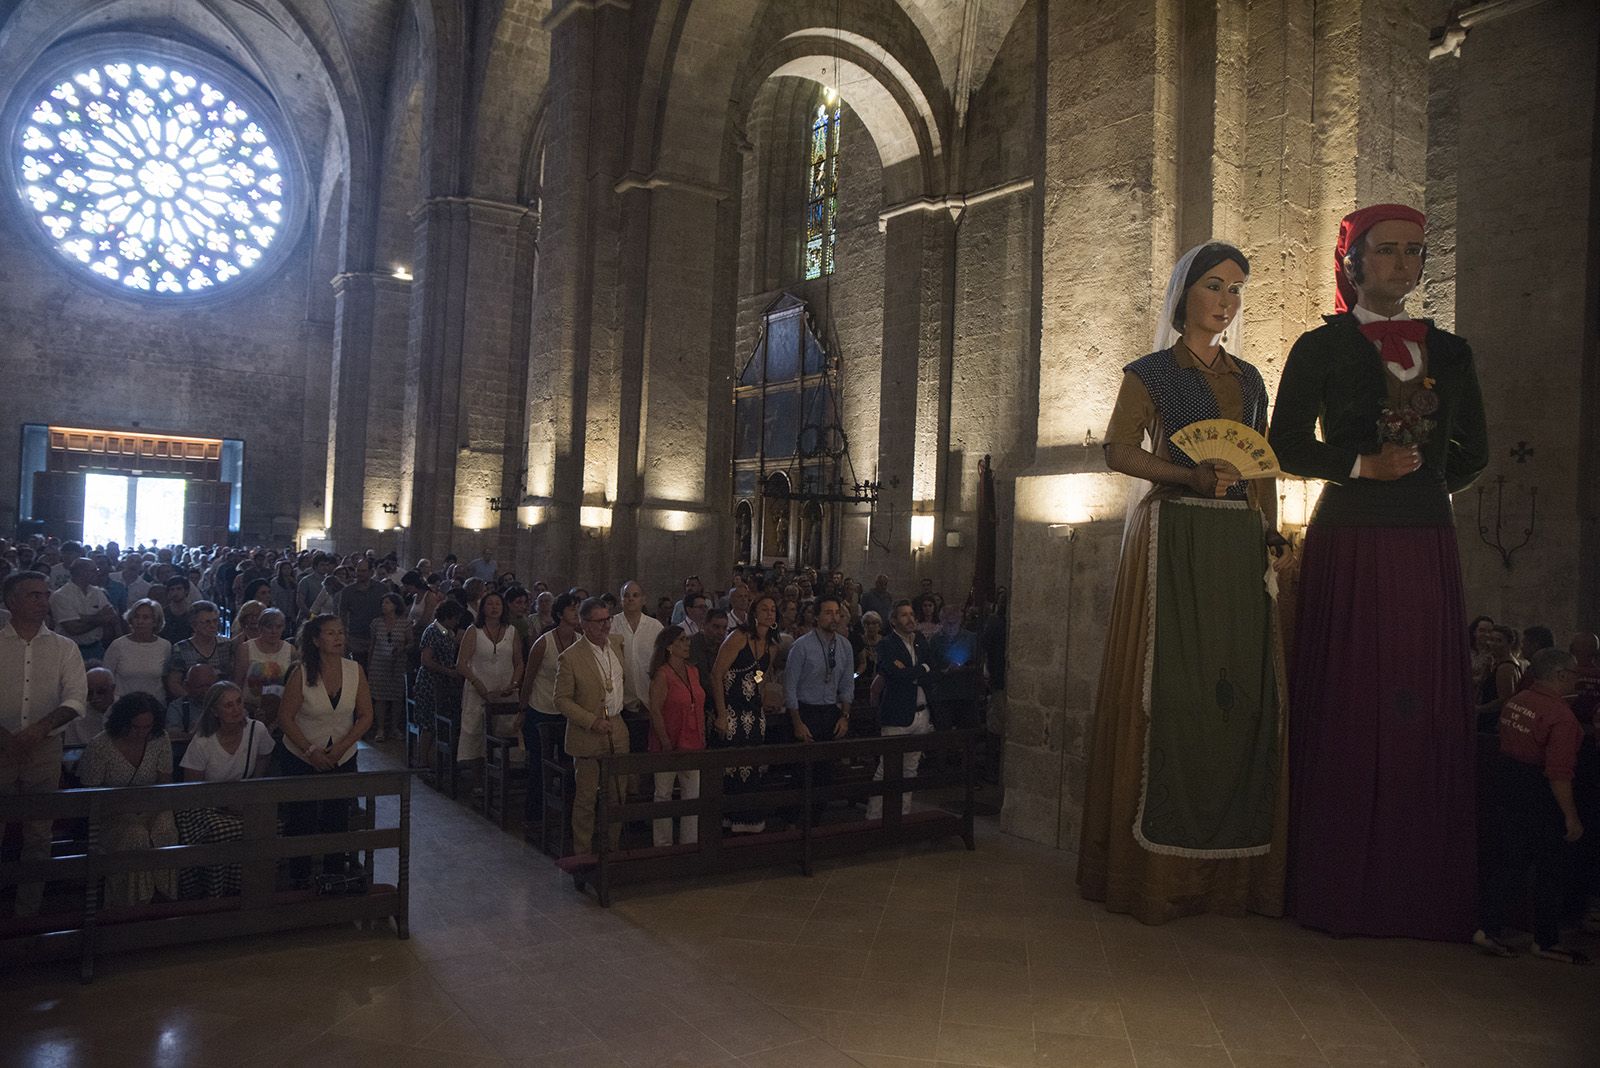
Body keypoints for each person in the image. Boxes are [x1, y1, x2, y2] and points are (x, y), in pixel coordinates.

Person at [1269, 203, 1488, 940]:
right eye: (1387, 251)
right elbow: (1288, 444)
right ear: (1353, 263)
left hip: (1425, 538)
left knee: (1418, 702)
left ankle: (1418, 887)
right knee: (1353, 698)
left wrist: (1423, 483)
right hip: (1351, 537)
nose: (1403, 263)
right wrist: (1365, 466)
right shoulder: (1319, 346)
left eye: (1414, 253)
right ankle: (1338, 885)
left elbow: (1476, 451)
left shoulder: (1452, 352)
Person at [1077, 241, 1288, 924]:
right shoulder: (1150, 373)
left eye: (1235, 291)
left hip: (1234, 542)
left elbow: (1260, 466)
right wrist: (1188, 475)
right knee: (1167, 688)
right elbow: (1117, 449)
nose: (1225, 303)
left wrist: (1271, 532)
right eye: (1214, 287)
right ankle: (1153, 875)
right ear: (1184, 293)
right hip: (1171, 535)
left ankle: (1227, 879)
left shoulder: (1252, 379)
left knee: (1235, 693)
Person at [1474, 649, 1588, 963]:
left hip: (1509, 785)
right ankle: (1547, 940)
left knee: (1510, 861)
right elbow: (1559, 772)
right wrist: (1571, 817)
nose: (1577, 678)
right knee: (1551, 868)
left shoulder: (1518, 701)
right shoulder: (1561, 717)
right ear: (1561, 675)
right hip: (1539, 795)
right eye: (1575, 673)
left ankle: (1488, 927)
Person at [0, 571, 87, 915]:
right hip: (0, 748)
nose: (42, 601)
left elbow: (76, 698)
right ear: (11, 602)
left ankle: (27, 911)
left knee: (39, 833)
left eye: (44, 594)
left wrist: (40, 729)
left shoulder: (64, 647)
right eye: (33, 595)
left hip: (44, 750)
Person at [277, 614, 373, 885]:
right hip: (301, 755)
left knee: (337, 818)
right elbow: (285, 717)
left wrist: (342, 746)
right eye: (330, 633)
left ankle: (334, 879)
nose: (338, 638)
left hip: (341, 755)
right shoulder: (302, 672)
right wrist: (310, 751)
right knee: (301, 821)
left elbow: (365, 715)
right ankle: (299, 880)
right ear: (317, 640)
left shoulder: (355, 671)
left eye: (341, 632)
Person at [78, 692, 179, 905]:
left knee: (165, 826)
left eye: (147, 727)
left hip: (152, 807)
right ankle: (128, 904)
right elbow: (89, 795)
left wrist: (150, 809)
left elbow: (164, 784)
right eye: (135, 727)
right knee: (135, 835)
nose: (142, 733)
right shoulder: (100, 746)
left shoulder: (159, 739)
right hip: (111, 815)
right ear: (123, 722)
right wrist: (126, 810)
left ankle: (164, 898)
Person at [175, 681, 274, 897]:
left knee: (265, 825)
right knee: (220, 831)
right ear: (215, 711)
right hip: (205, 807)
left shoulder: (256, 730)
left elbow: (263, 761)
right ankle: (215, 892)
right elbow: (192, 790)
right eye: (228, 705)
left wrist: (249, 798)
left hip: (242, 802)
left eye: (239, 702)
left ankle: (252, 891)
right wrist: (225, 803)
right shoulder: (203, 742)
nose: (236, 709)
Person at [555, 597, 629, 854]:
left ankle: (613, 849)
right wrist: (591, 721)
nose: (605, 625)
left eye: (607, 619)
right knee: (586, 798)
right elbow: (561, 700)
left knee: (617, 794)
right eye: (598, 621)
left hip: (617, 727)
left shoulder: (617, 645)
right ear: (584, 624)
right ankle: (583, 853)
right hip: (588, 733)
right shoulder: (571, 657)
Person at [710, 592, 778, 833]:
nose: (769, 613)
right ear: (754, 613)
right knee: (732, 765)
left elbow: (760, 674)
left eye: (772, 609)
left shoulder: (771, 645)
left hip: (753, 712)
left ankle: (748, 818)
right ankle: (729, 817)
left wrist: (761, 696)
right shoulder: (738, 637)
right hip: (731, 708)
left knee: (752, 763)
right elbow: (717, 673)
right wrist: (721, 713)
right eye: (764, 609)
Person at [867, 600, 935, 820]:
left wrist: (914, 671)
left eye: (912, 614)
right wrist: (919, 669)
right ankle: (875, 817)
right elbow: (894, 674)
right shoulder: (887, 644)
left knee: (910, 769)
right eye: (904, 615)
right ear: (894, 621)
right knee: (887, 769)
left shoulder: (921, 642)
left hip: (920, 712)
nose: (910, 619)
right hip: (896, 713)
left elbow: (931, 670)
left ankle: (902, 816)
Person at [519, 593, 581, 827]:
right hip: (540, 709)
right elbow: (529, 678)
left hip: (567, 713)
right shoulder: (544, 642)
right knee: (538, 765)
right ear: (559, 614)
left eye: (578, 608)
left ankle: (565, 814)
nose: (576, 612)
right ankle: (534, 816)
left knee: (568, 764)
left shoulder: (579, 639)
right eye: (571, 609)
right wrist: (522, 709)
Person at [647, 625, 705, 847]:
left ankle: (690, 842)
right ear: (670, 646)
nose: (687, 644)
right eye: (681, 640)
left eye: (687, 639)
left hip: (692, 740)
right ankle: (662, 844)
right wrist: (665, 741)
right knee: (664, 794)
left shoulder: (693, 671)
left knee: (692, 795)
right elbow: (655, 710)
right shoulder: (662, 674)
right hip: (668, 741)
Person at [455, 590, 523, 782]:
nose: (494, 608)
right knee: (477, 735)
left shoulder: (511, 631)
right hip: (479, 689)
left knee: (505, 732)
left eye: (498, 604)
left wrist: (514, 683)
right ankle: (478, 780)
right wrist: (479, 685)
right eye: (490, 604)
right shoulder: (473, 631)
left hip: (505, 689)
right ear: (483, 608)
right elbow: (461, 663)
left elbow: (519, 662)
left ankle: (500, 778)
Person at [413, 600, 467, 768]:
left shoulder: (448, 632)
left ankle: (434, 759)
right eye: (455, 618)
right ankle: (422, 760)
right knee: (429, 723)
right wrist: (448, 671)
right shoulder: (431, 632)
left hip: (443, 684)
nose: (457, 622)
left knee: (438, 722)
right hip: (430, 683)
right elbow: (426, 660)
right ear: (447, 616)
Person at [233, 606, 294, 731]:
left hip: (281, 711)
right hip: (250, 710)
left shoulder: (291, 650)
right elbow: (237, 682)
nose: (274, 631)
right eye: (269, 626)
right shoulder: (245, 649)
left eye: (278, 626)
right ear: (260, 627)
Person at [49, 558, 118, 661]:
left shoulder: (97, 592)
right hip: (69, 650)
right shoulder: (61, 595)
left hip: (96, 648)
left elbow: (112, 616)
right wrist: (100, 619)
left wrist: (82, 618)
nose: (97, 573)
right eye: (94, 570)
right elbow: (73, 629)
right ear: (82, 572)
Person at [613, 581, 665, 717]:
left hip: (649, 696)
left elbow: (662, 659)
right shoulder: (612, 625)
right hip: (621, 698)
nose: (630, 599)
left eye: (635, 595)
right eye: (626, 595)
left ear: (643, 600)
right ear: (621, 600)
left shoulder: (655, 626)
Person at [103, 598, 172, 701]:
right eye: (136, 617)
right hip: (122, 704)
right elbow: (106, 678)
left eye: (145, 617)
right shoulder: (118, 645)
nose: (140, 621)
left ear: (155, 621)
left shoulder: (165, 646)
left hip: (155, 704)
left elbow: (166, 679)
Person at [365, 592, 411, 743]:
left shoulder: (405, 623)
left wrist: (402, 647)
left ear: (395, 605)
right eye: (383, 603)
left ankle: (394, 728)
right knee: (380, 698)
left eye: (387, 603)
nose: (384, 605)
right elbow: (372, 644)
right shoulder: (376, 623)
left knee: (397, 697)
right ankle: (381, 728)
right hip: (379, 663)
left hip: (397, 663)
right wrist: (369, 663)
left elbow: (411, 642)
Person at [164, 601, 228, 699]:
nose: (212, 626)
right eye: (207, 622)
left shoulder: (226, 644)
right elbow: (174, 683)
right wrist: (192, 700)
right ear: (194, 625)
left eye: (215, 621)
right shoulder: (181, 648)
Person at [335, 558, 386, 669]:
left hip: (378, 637)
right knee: (358, 668)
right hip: (356, 637)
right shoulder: (348, 591)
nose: (360, 574)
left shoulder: (381, 589)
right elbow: (342, 614)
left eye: (363, 571)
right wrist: (344, 636)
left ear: (371, 572)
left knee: (377, 670)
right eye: (358, 570)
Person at [65, 666, 116, 748]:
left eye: (101, 691)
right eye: (90, 693)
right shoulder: (78, 716)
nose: (94, 697)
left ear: (113, 689)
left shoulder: (126, 710)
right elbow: (71, 751)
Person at [166, 664, 218, 741]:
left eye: (209, 686)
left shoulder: (225, 703)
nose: (206, 691)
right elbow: (171, 736)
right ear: (187, 686)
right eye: (200, 687)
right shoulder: (177, 707)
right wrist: (193, 736)